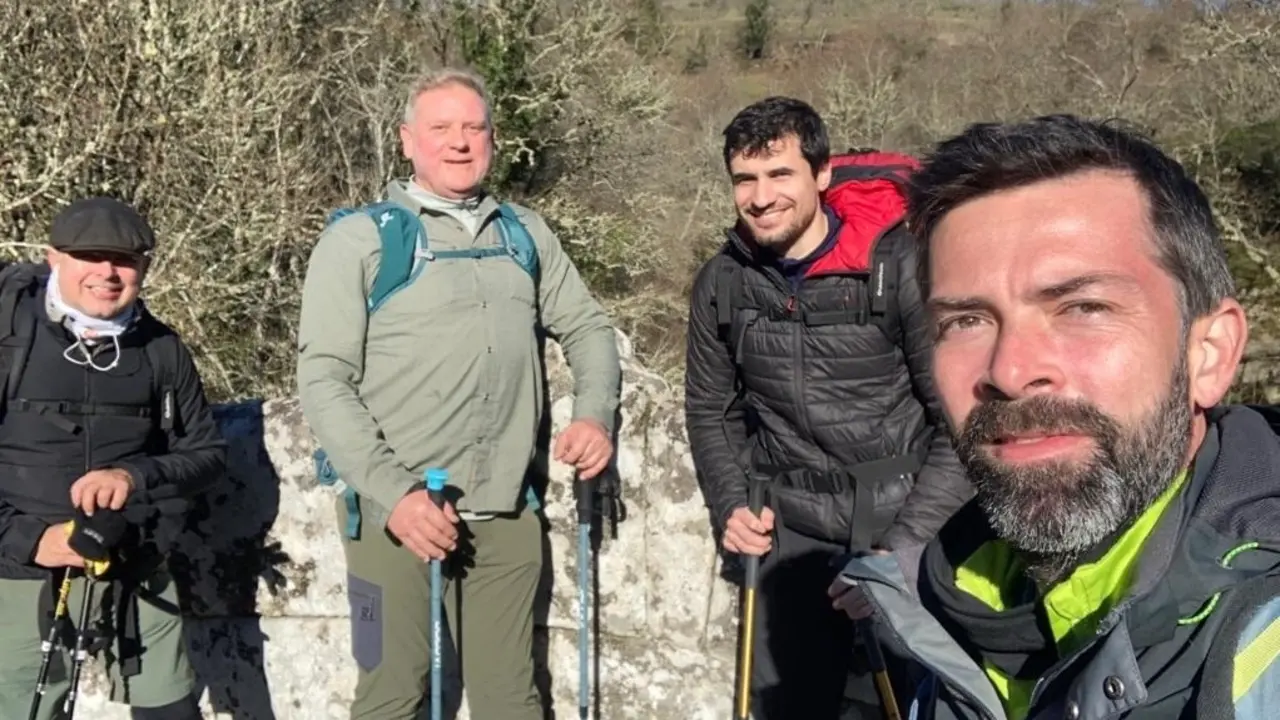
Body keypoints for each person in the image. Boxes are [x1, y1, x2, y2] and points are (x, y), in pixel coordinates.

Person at [829, 113, 1280, 719]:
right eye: (965, 321)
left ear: (1209, 353)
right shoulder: (946, 604)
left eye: (1083, 307)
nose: (1011, 371)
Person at [297, 66, 622, 720]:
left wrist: (594, 416)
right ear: (407, 140)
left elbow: (587, 327)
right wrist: (397, 495)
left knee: (512, 701)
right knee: (392, 695)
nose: (460, 142)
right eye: (441, 128)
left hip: (506, 509)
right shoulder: (360, 239)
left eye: (474, 128)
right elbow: (323, 377)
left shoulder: (524, 234)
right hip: (392, 519)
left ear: (494, 141)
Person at [684, 95, 971, 719]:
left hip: (899, 531)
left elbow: (959, 426)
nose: (761, 197)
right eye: (745, 179)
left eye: (780, 174)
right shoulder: (723, 283)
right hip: (786, 537)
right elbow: (711, 409)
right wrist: (732, 503)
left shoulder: (897, 269)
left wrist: (902, 553)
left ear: (820, 175)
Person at [0, 196, 228, 720]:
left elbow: (207, 454)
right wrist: (32, 540)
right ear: (54, 257)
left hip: (134, 563)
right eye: (91, 256)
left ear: (144, 267)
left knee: (171, 711)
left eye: (125, 260)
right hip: (20, 572)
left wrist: (134, 475)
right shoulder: (10, 337)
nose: (108, 272)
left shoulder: (160, 348)